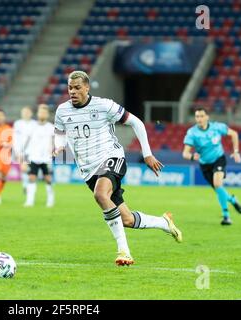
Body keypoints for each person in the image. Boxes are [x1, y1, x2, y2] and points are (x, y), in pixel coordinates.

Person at [53, 70, 182, 267]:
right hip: (88, 170)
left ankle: (124, 251)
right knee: (127, 219)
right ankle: (164, 223)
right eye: (70, 87)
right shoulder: (62, 110)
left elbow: (136, 122)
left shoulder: (104, 105)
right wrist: (59, 146)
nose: (73, 91)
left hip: (111, 157)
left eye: (77, 87)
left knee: (100, 194)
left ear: (87, 88)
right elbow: (60, 133)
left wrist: (147, 153)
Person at [182, 107, 241, 225]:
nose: (199, 119)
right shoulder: (192, 133)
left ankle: (226, 216)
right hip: (204, 165)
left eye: (201, 116)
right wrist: (191, 156)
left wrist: (236, 151)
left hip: (218, 159)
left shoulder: (217, 127)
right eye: (197, 116)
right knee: (219, 189)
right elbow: (185, 153)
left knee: (217, 184)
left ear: (207, 117)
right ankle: (232, 199)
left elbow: (234, 134)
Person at [24, 104, 55, 207]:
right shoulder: (31, 127)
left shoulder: (51, 127)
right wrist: (24, 159)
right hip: (34, 157)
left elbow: (55, 141)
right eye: (41, 112)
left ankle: (50, 199)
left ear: (47, 115)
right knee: (32, 177)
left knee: (48, 178)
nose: (42, 114)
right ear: (37, 114)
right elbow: (26, 143)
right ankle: (30, 200)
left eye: (44, 112)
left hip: (46, 158)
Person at [13, 106, 37, 194]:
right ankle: (25, 186)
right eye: (24, 112)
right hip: (22, 150)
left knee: (32, 171)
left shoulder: (35, 124)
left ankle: (29, 186)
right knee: (24, 169)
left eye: (27, 112)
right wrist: (17, 151)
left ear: (31, 113)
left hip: (34, 151)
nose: (26, 114)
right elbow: (15, 138)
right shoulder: (18, 124)